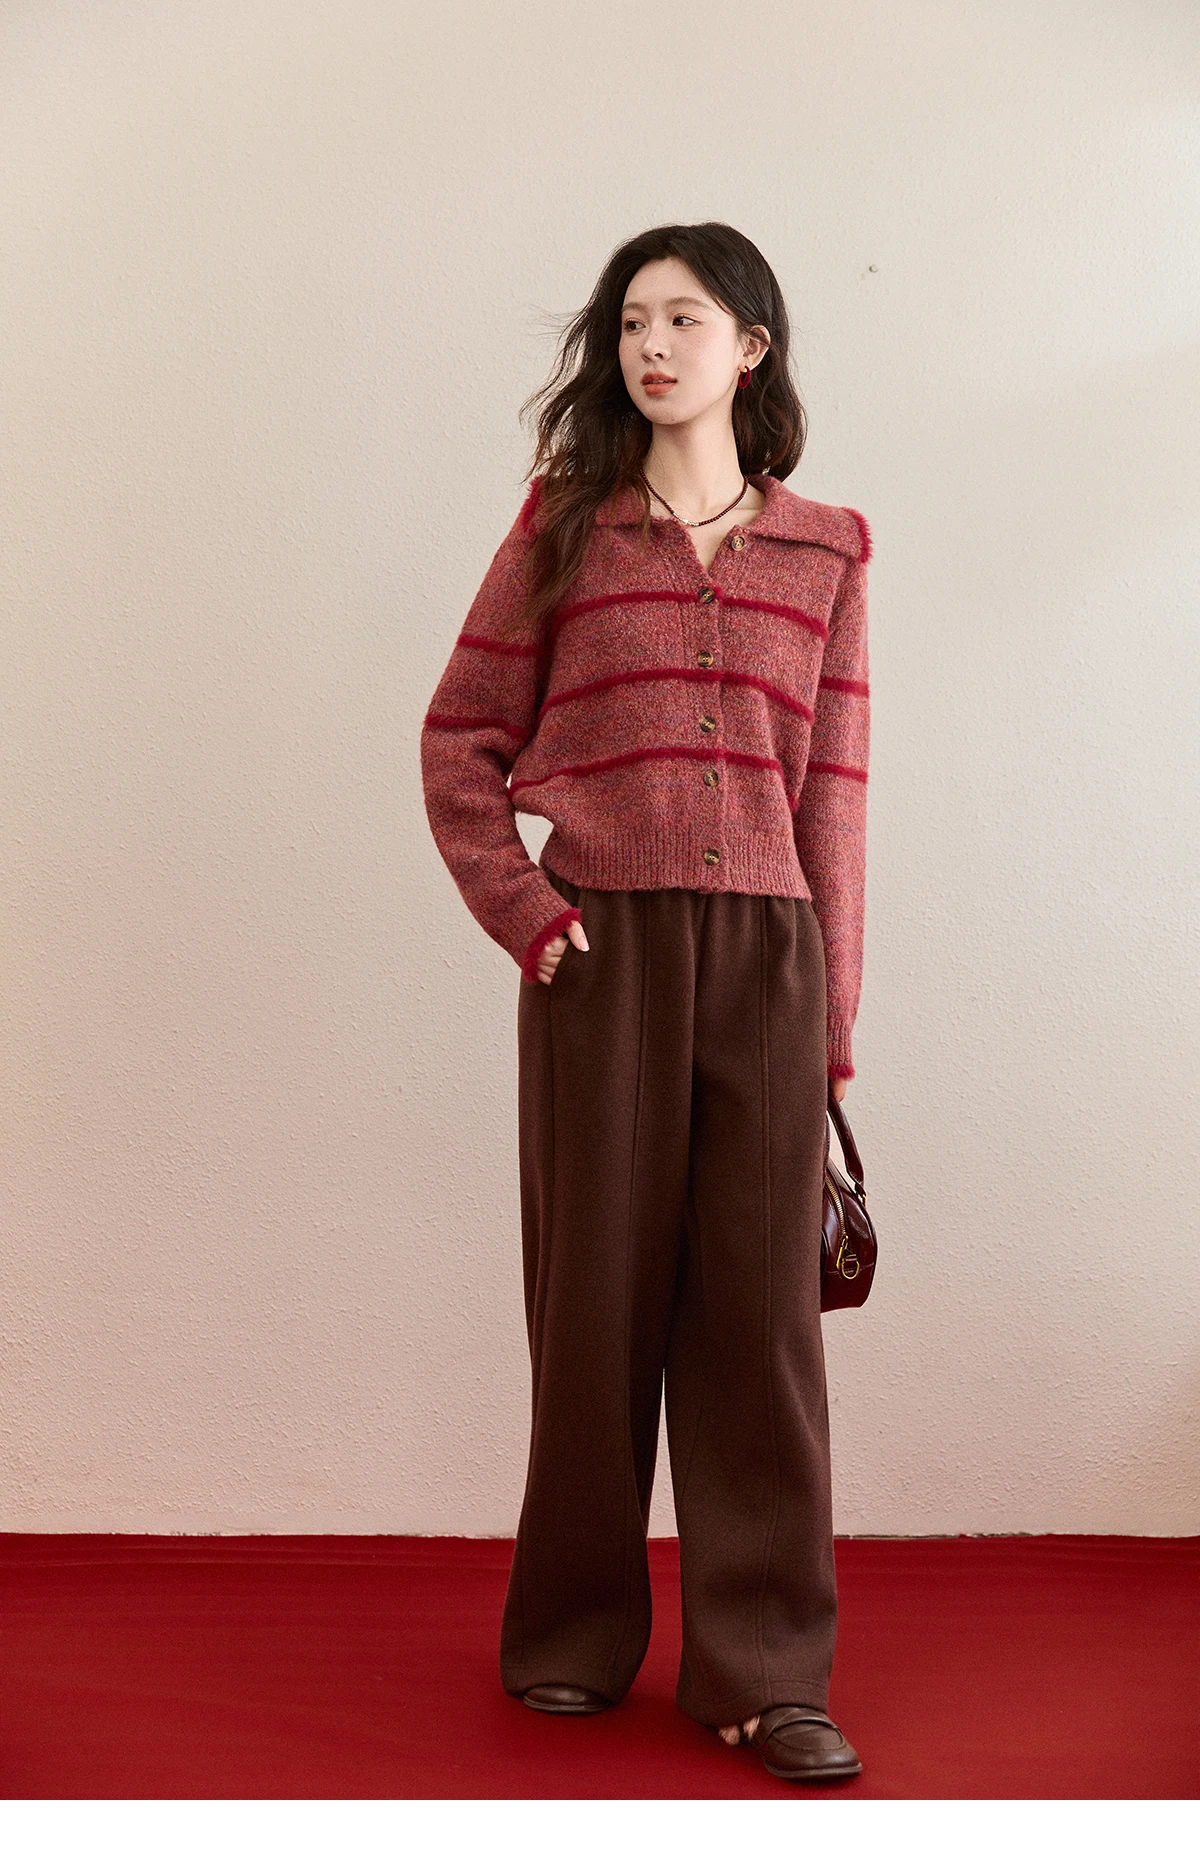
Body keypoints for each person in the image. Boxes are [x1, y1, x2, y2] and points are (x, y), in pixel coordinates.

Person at [420, 221, 870, 1783]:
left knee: (762, 1329)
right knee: (593, 1307)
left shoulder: (828, 551)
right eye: (630, 324)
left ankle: (765, 1670)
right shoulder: (566, 526)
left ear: (752, 346)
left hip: (767, 962)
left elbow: (833, 799)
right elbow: (459, 740)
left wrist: (832, 1023)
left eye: (683, 319)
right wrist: (532, 919)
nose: (651, 347)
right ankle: (570, 1632)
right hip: (599, 953)